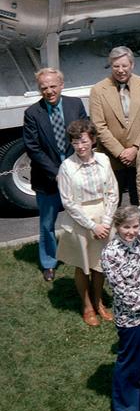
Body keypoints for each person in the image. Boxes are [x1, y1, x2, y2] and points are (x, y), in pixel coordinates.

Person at [24, 67, 88, 282]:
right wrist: (57, 173)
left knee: (81, 218)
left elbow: (85, 134)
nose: (49, 91)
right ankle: (49, 263)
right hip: (47, 178)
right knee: (47, 224)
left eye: (53, 86)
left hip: (77, 173)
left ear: (61, 85)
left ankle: (83, 255)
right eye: (44, 88)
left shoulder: (75, 104)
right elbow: (33, 148)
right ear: (39, 89)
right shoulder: (32, 113)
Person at [57, 119, 120, 325]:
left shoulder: (103, 159)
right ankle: (87, 306)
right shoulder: (67, 167)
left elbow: (113, 192)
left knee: (99, 264)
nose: (80, 146)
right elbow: (67, 202)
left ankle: (99, 301)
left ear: (93, 140)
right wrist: (92, 226)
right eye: (75, 142)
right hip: (80, 220)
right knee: (83, 264)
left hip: (104, 218)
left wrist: (107, 222)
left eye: (84, 141)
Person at [100, 206, 140, 411]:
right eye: (126, 227)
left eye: (135, 226)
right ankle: (125, 407)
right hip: (130, 318)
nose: (131, 231)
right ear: (117, 226)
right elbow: (121, 291)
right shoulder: (110, 253)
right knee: (130, 362)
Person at [88, 46, 140, 205]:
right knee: (112, 206)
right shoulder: (98, 90)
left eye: (124, 65)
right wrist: (120, 152)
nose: (120, 70)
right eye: (116, 66)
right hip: (112, 160)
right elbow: (99, 126)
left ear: (132, 65)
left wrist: (135, 148)